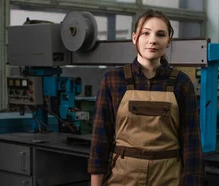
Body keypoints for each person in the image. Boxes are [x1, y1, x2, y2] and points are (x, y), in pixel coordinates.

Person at [88, 9, 205, 186]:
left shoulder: (182, 83)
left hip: (168, 178)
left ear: (168, 41)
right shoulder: (113, 80)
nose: (152, 40)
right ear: (135, 38)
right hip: (123, 179)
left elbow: (191, 144)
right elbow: (100, 140)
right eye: (146, 33)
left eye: (160, 34)